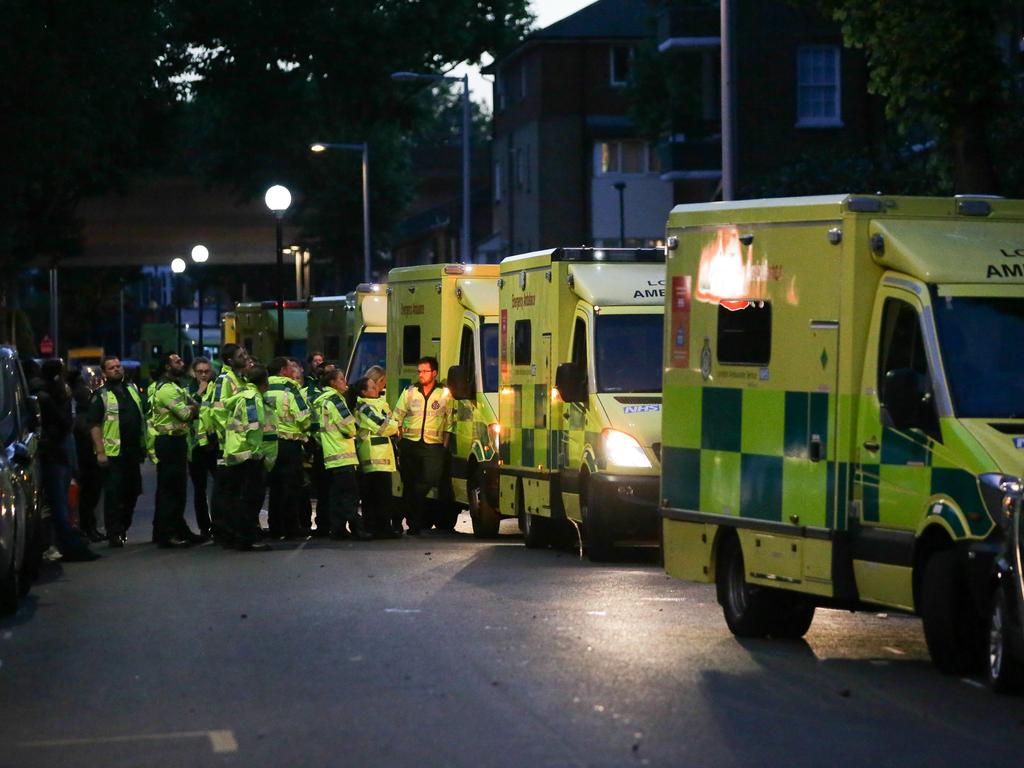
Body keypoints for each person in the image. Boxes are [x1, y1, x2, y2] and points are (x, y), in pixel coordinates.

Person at [34, 360, 98, 561]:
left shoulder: (50, 394)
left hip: (56, 455)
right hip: (54, 455)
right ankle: (67, 546)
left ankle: (60, 543)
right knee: (58, 505)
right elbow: (64, 425)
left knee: (58, 504)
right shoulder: (48, 396)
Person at [388, 356, 454, 536]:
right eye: (419, 371)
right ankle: (413, 524)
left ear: (434, 373)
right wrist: (400, 439)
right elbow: (397, 416)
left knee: (429, 479)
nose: (421, 375)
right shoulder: (410, 391)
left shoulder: (444, 393)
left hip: (434, 446)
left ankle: (403, 512)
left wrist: (445, 445)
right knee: (409, 483)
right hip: (410, 444)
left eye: (425, 371)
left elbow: (450, 421)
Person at [88, 356, 146, 548]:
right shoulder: (101, 395)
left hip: (132, 451)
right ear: (104, 373)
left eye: (118, 366)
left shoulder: (132, 389)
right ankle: (114, 532)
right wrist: (100, 451)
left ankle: (123, 527)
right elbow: (94, 425)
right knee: (114, 495)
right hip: (113, 454)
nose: (116, 369)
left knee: (133, 492)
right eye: (111, 367)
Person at [148, 352, 202, 547]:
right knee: (170, 491)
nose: (181, 363)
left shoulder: (175, 386)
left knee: (177, 490)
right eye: (176, 361)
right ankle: (166, 533)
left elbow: (196, 405)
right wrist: (191, 409)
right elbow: (187, 413)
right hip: (168, 443)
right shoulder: (167, 390)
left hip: (177, 442)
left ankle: (178, 529)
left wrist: (193, 408)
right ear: (167, 367)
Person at [221, 366, 277, 551]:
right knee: (250, 500)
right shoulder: (253, 399)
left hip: (234, 452)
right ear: (264, 382)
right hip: (247, 455)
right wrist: (257, 453)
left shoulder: (240, 396)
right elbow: (253, 428)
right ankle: (247, 538)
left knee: (236, 499)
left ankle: (237, 537)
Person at [314, 369, 371, 541]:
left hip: (331, 455)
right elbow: (348, 426)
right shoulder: (336, 400)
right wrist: (353, 431)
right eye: (341, 379)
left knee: (337, 496)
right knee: (350, 496)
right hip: (342, 455)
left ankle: (338, 529)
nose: (344, 381)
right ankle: (357, 529)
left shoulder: (321, 401)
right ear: (332, 383)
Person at [204, 343, 248, 545]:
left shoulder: (238, 378)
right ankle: (223, 530)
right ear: (230, 360)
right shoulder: (225, 379)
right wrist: (232, 431)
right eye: (241, 355)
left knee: (232, 489)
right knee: (225, 489)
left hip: (236, 441)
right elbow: (218, 410)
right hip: (227, 443)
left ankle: (231, 528)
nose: (245, 356)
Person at [347, 376, 400, 537]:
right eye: (372, 386)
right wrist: (394, 426)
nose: (376, 388)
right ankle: (376, 527)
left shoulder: (381, 404)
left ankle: (383, 527)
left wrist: (392, 424)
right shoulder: (363, 408)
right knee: (373, 495)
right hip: (372, 456)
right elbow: (383, 426)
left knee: (383, 494)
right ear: (364, 392)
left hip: (383, 456)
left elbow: (391, 420)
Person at [265, 356, 311, 538]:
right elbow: (302, 416)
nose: (293, 371)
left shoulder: (264, 386)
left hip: (269, 442)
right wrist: (306, 428)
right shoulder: (291, 388)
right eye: (290, 367)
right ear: (283, 370)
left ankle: (275, 527)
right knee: (291, 487)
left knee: (275, 487)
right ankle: (291, 527)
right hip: (289, 444)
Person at [69, 368, 104, 543]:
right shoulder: (82, 404)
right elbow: (85, 428)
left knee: (90, 493)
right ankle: (88, 527)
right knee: (90, 493)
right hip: (86, 456)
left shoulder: (77, 397)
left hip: (85, 455)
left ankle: (89, 527)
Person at [187, 356, 215, 537]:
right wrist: (199, 392)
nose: (203, 375)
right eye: (200, 372)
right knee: (200, 489)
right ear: (193, 373)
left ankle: (219, 523)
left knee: (220, 485)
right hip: (196, 446)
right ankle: (205, 527)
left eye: (206, 371)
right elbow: (186, 412)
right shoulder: (188, 390)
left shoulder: (216, 388)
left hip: (213, 443)